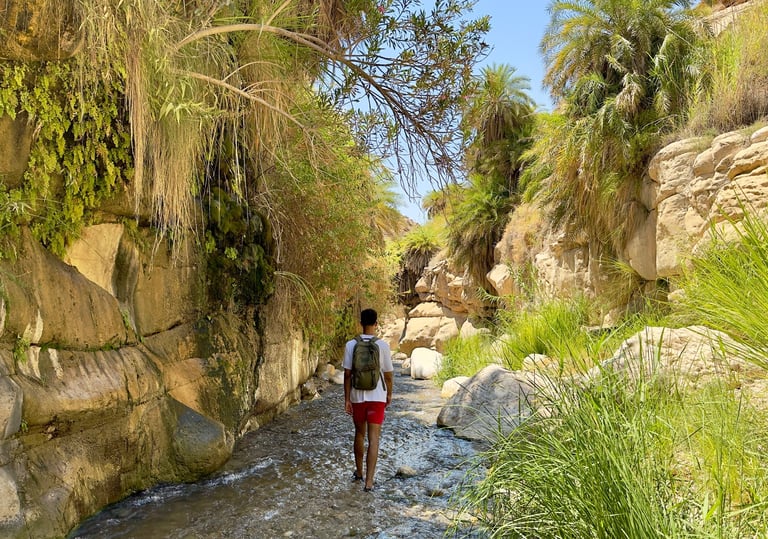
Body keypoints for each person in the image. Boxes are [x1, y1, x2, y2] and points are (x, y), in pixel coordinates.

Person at [343, 308, 393, 492]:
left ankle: (358, 472)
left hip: (357, 397)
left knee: (359, 434)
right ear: (376, 324)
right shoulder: (383, 346)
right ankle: (369, 482)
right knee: (374, 439)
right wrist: (388, 394)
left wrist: (347, 399)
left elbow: (347, 375)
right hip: (377, 397)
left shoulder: (350, 345)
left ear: (361, 323)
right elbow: (388, 375)